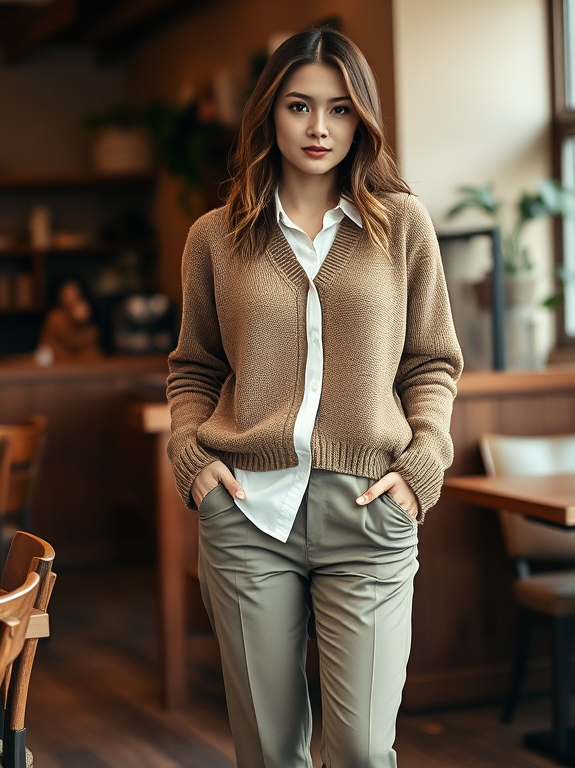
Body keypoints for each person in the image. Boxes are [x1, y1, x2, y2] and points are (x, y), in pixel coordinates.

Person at [166, 27, 462, 768]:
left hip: (370, 511)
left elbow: (432, 362)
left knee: (362, 749)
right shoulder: (214, 238)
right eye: (300, 106)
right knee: (269, 753)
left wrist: (422, 465)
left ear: (362, 118)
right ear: (269, 113)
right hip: (244, 512)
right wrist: (191, 458)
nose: (319, 128)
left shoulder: (402, 228)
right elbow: (193, 368)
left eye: (339, 108)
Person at [37, 277, 102, 362]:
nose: (71, 296)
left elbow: (92, 336)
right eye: (66, 293)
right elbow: (67, 340)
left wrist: (83, 321)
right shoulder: (55, 317)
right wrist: (76, 320)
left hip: (85, 362)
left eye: (74, 292)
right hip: (60, 360)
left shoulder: (88, 313)